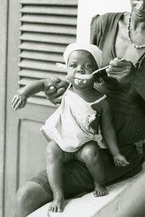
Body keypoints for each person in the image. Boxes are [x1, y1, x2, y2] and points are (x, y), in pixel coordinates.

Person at [15, 0, 145, 217]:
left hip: (119, 153)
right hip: (79, 139)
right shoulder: (104, 24)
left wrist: (137, 79)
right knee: (26, 195)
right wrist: (62, 91)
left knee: (31, 195)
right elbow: (81, 77)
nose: (140, 8)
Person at [12, 43, 129, 213]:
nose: (79, 70)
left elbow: (108, 130)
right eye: (73, 66)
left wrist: (116, 153)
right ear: (67, 70)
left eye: (87, 66)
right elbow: (41, 83)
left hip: (83, 146)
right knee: (51, 150)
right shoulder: (65, 87)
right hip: (63, 144)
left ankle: (98, 182)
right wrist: (23, 94)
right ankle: (58, 194)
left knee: (91, 153)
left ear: (96, 74)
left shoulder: (101, 101)